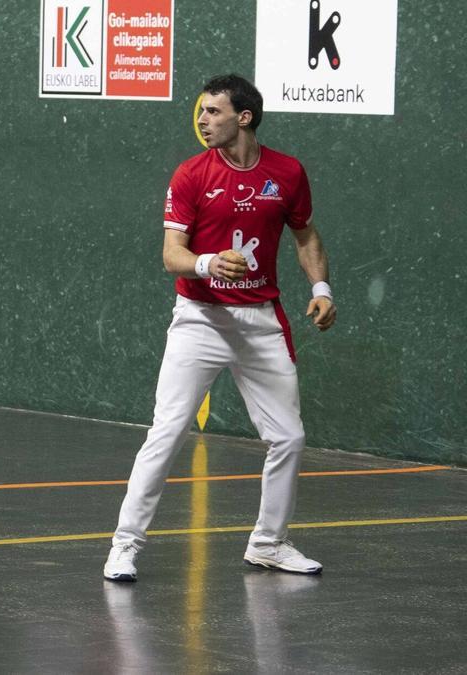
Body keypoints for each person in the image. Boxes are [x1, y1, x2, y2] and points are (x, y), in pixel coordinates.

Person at [103, 74, 337, 582]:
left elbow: (305, 235)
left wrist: (321, 290)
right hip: (200, 320)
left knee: (289, 438)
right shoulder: (190, 174)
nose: (203, 121)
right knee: (166, 433)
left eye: (213, 112)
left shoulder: (288, 173)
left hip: (261, 322)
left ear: (244, 117)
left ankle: (269, 543)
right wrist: (208, 264)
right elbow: (172, 256)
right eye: (203, 112)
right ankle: (125, 545)